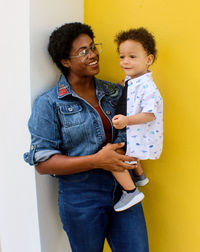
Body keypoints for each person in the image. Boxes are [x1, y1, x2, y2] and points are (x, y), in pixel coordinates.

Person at [24, 22, 149, 252]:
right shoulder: (49, 103)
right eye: (83, 51)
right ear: (65, 62)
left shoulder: (114, 92)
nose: (93, 55)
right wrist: (96, 161)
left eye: (93, 47)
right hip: (82, 198)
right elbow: (42, 162)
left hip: (126, 190)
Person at [112, 27, 163, 212]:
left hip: (131, 129)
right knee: (130, 151)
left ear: (148, 60)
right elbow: (128, 88)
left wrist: (126, 121)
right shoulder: (132, 79)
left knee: (115, 158)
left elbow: (150, 114)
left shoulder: (148, 87)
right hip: (128, 130)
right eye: (122, 57)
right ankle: (140, 176)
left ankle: (131, 191)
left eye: (132, 57)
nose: (125, 62)